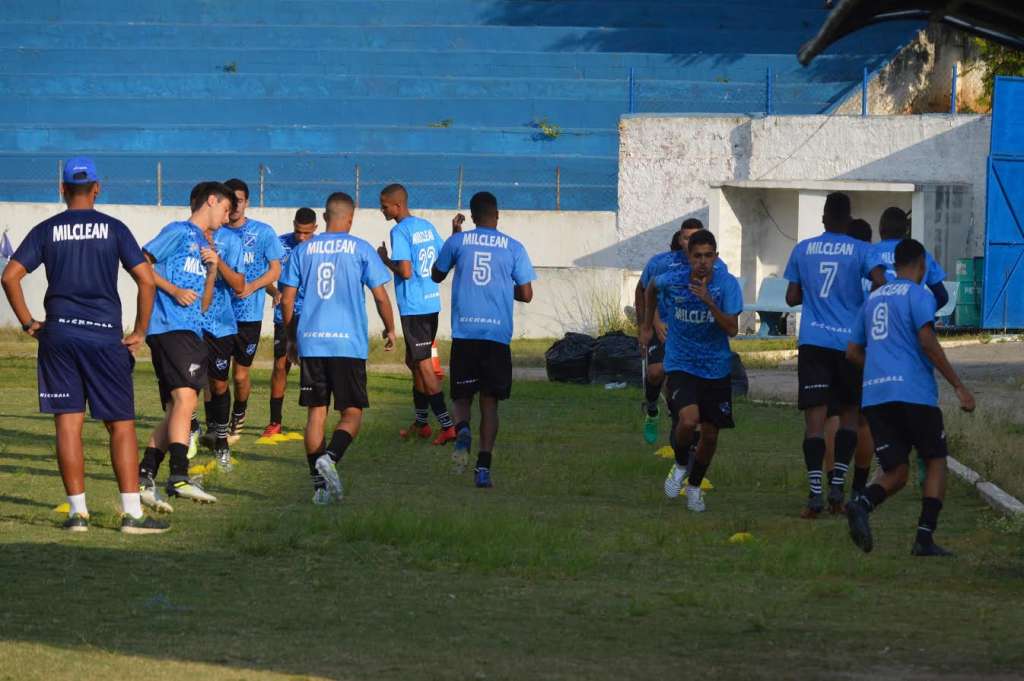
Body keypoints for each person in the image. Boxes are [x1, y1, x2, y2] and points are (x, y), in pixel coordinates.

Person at [0, 156, 167, 533]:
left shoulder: (46, 229)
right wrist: (140, 332)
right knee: (121, 425)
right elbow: (147, 281)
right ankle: (132, 515)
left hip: (58, 335)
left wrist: (29, 323)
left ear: (61, 189)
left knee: (68, 425)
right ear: (97, 188)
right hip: (103, 336)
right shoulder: (113, 228)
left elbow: (10, 276)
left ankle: (78, 514)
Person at [845, 239, 975, 556]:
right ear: (922, 264)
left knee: (897, 472)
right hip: (914, 393)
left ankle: (862, 503)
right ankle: (924, 538)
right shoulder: (919, 295)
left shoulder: (873, 299)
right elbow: (927, 341)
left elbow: (852, 352)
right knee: (935, 460)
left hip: (876, 396)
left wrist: (877, 368)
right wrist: (958, 385)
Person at [279, 192, 396, 504]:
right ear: (351, 217)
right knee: (352, 412)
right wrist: (390, 327)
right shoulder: (360, 249)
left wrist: (291, 338)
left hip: (312, 343)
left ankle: (320, 489)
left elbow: (287, 299)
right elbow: (381, 296)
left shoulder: (303, 250)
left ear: (325, 216)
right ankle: (330, 457)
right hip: (347, 345)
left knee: (315, 416)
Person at [784, 192, 886, 518]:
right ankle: (839, 486)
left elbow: (791, 296)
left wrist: (815, 294)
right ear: (848, 218)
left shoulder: (802, 249)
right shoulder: (862, 250)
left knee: (815, 422)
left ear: (824, 217)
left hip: (813, 342)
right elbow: (881, 285)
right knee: (850, 416)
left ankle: (815, 494)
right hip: (848, 345)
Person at [138, 182, 235, 507]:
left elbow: (205, 304)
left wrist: (211, 272)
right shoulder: (179, 231)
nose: (227, 216)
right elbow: (141, 262)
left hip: (190, 330)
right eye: (225, 209)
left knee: (176, 410)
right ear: (211, 201)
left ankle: (144, 476)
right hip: (170, 327)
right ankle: (179, 475)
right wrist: (172, 290)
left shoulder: (204, 244)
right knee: (186, 400)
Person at [431, 191, 536, 488]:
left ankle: (462, 429)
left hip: (465, 334)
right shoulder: (514, 247)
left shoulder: (458, 242)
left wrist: (453, 237)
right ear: (497, 215)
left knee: (461, 397)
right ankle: (483, 468)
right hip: (496, 337)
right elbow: (526, 294)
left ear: (473, 216)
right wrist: (504, 288)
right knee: (490, 404)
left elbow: (436, 275)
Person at [640, 230, 743, 512]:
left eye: (708, 256)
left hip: (716, 366)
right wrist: (649, 324)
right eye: (697, 256)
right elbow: (650, 288)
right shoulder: (673, 280)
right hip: (682, 362)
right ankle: (680, 463)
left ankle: (695, 487)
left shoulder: (727, 285)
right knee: (688, 420)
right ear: (688, 258)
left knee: (710, 434)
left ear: (716, 257)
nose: (702, 262)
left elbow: (732, 329)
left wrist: (709, 301)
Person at [376, 184, 455, 445]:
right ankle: (421, 423)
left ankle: (447, 426)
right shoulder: (426, 226)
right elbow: (445, 254)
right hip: (431, 303)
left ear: (397, 206)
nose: (382, 210)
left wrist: (385, 260)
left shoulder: (399, 231)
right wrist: (454, 233)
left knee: (423, 366)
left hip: (415, 307)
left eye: (384, 205)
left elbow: (406, 271)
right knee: (413, 363)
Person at [222, 178, 285, 443]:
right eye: (231, 200)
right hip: (219, 314)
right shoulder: (216, 231)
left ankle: (239, 413)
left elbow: (275, 269)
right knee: (214, 376)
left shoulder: (263, 233)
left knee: (239, 374)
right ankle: (215, 423)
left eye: (239, 200)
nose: (235, 205)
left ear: (247, 202)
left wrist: (255, 287)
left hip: (249, 315)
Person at [188, 185, 245, 471]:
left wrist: (216, 260)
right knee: (188, 383)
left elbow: (239, 285)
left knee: (219, 383)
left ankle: (221, 440)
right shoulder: (182, 236)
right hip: (188, 322)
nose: (225, 216)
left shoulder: (230, 241)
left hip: (221, 324)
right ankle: (190, 431)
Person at [824, 217, 875, 499]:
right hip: (864, 351)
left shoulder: (841, 266)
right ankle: (858, 486)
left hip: (828, 345)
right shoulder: (873, 269)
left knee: (831, 416)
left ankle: (833, 481)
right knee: (862, 420)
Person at [260, 207, 318, 439]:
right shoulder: (280, 244)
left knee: (313, 368)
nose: (301, 237)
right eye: (297, 231)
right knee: (280, 366)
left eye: (306, 233)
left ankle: (313, 422)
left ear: (315, 229)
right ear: (293, 224)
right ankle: (275, 422)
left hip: (313, 317)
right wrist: (275, 291)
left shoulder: (320, 247)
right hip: (285, 315)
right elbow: (265, 278)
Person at [634, 221, 687, 445]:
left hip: (688, 330)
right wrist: (646, 326)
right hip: (661, 327)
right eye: (686, 237)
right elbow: (643, 291)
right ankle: (652, 409)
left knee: (680, 380)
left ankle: (679, 429)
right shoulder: (660, 263)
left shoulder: (709, 265)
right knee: (656, 372)